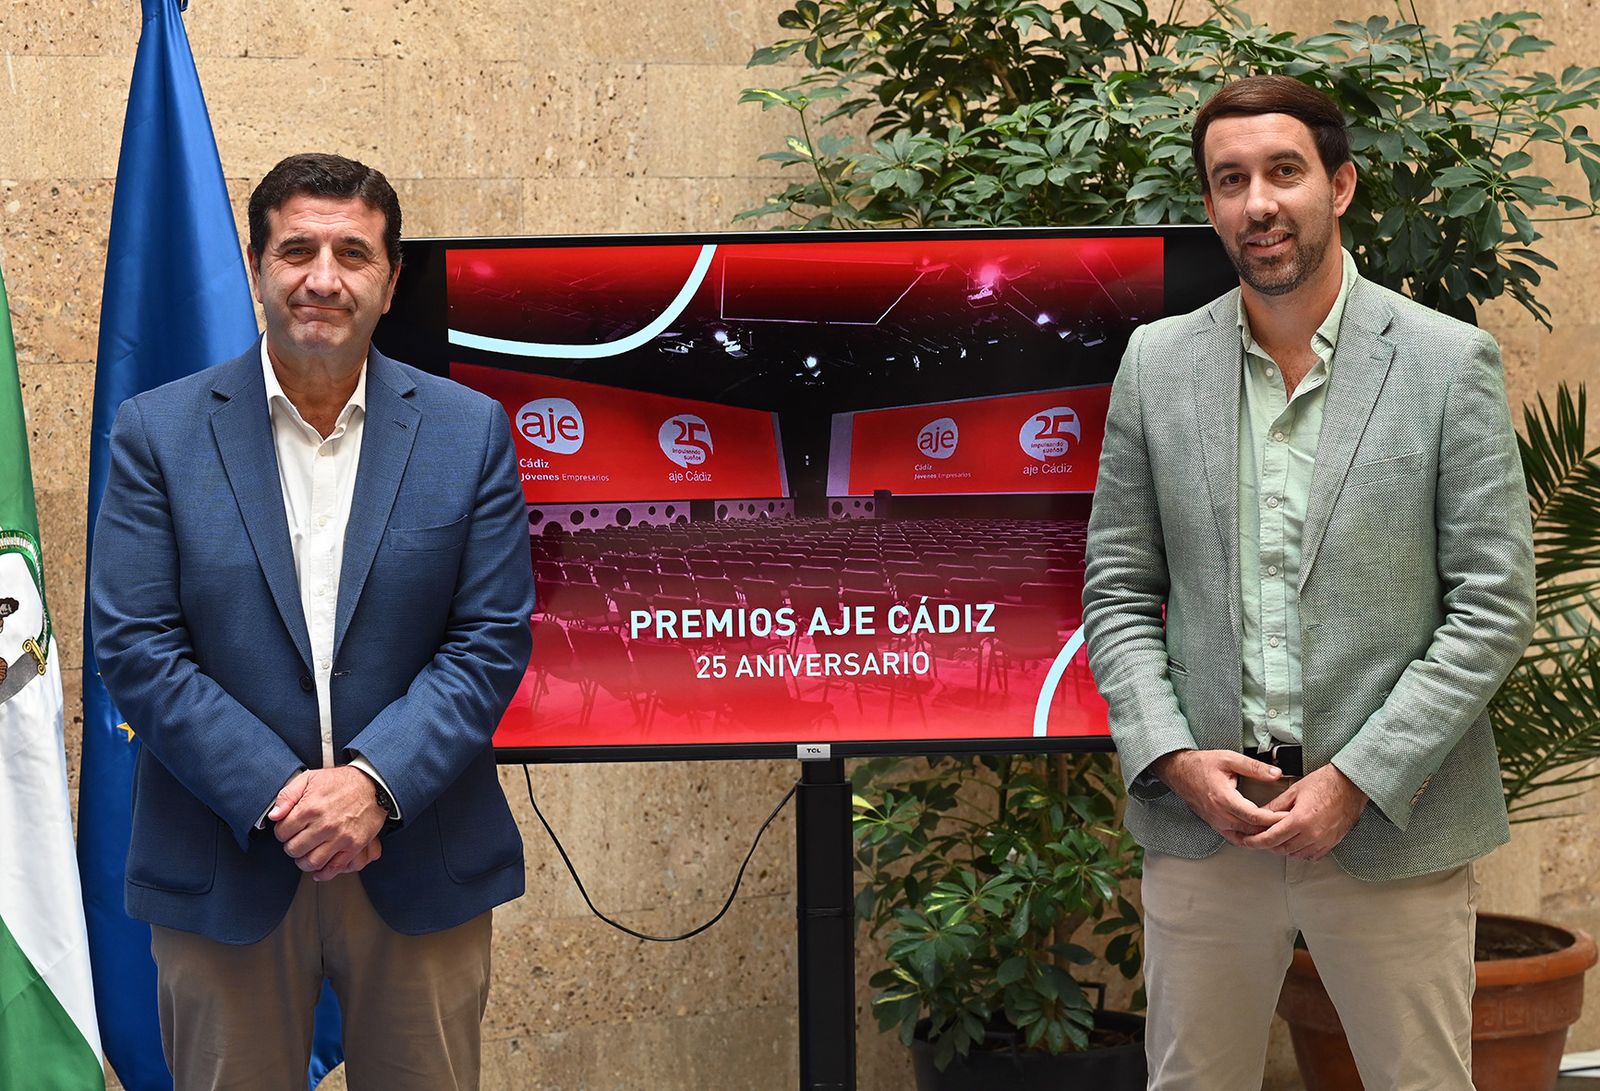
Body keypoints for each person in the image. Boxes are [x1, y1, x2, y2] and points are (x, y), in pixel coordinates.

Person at [1082, 75, 1535, 1090]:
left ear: (1339, 185)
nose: (1258, 203)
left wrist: (1355, 779)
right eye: (1229, 179)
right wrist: (1169, 755)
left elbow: (1493, 604)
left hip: (1388, 827)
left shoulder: (1443, 362)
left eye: (1283, 172)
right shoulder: (1156, 365)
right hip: (1207, 833)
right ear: (1208, 206)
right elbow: (1115, 590)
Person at [90, 152, 535, 1090]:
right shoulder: (156, 432)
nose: (322, 278)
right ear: (255, 268)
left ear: (391, 278)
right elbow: (135, 644)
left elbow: (490, 638)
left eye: (352, 253)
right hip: (226, 853)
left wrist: (372, 785)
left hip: (420, 861)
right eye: (296, 250)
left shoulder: (470, 431)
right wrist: (288, 796)